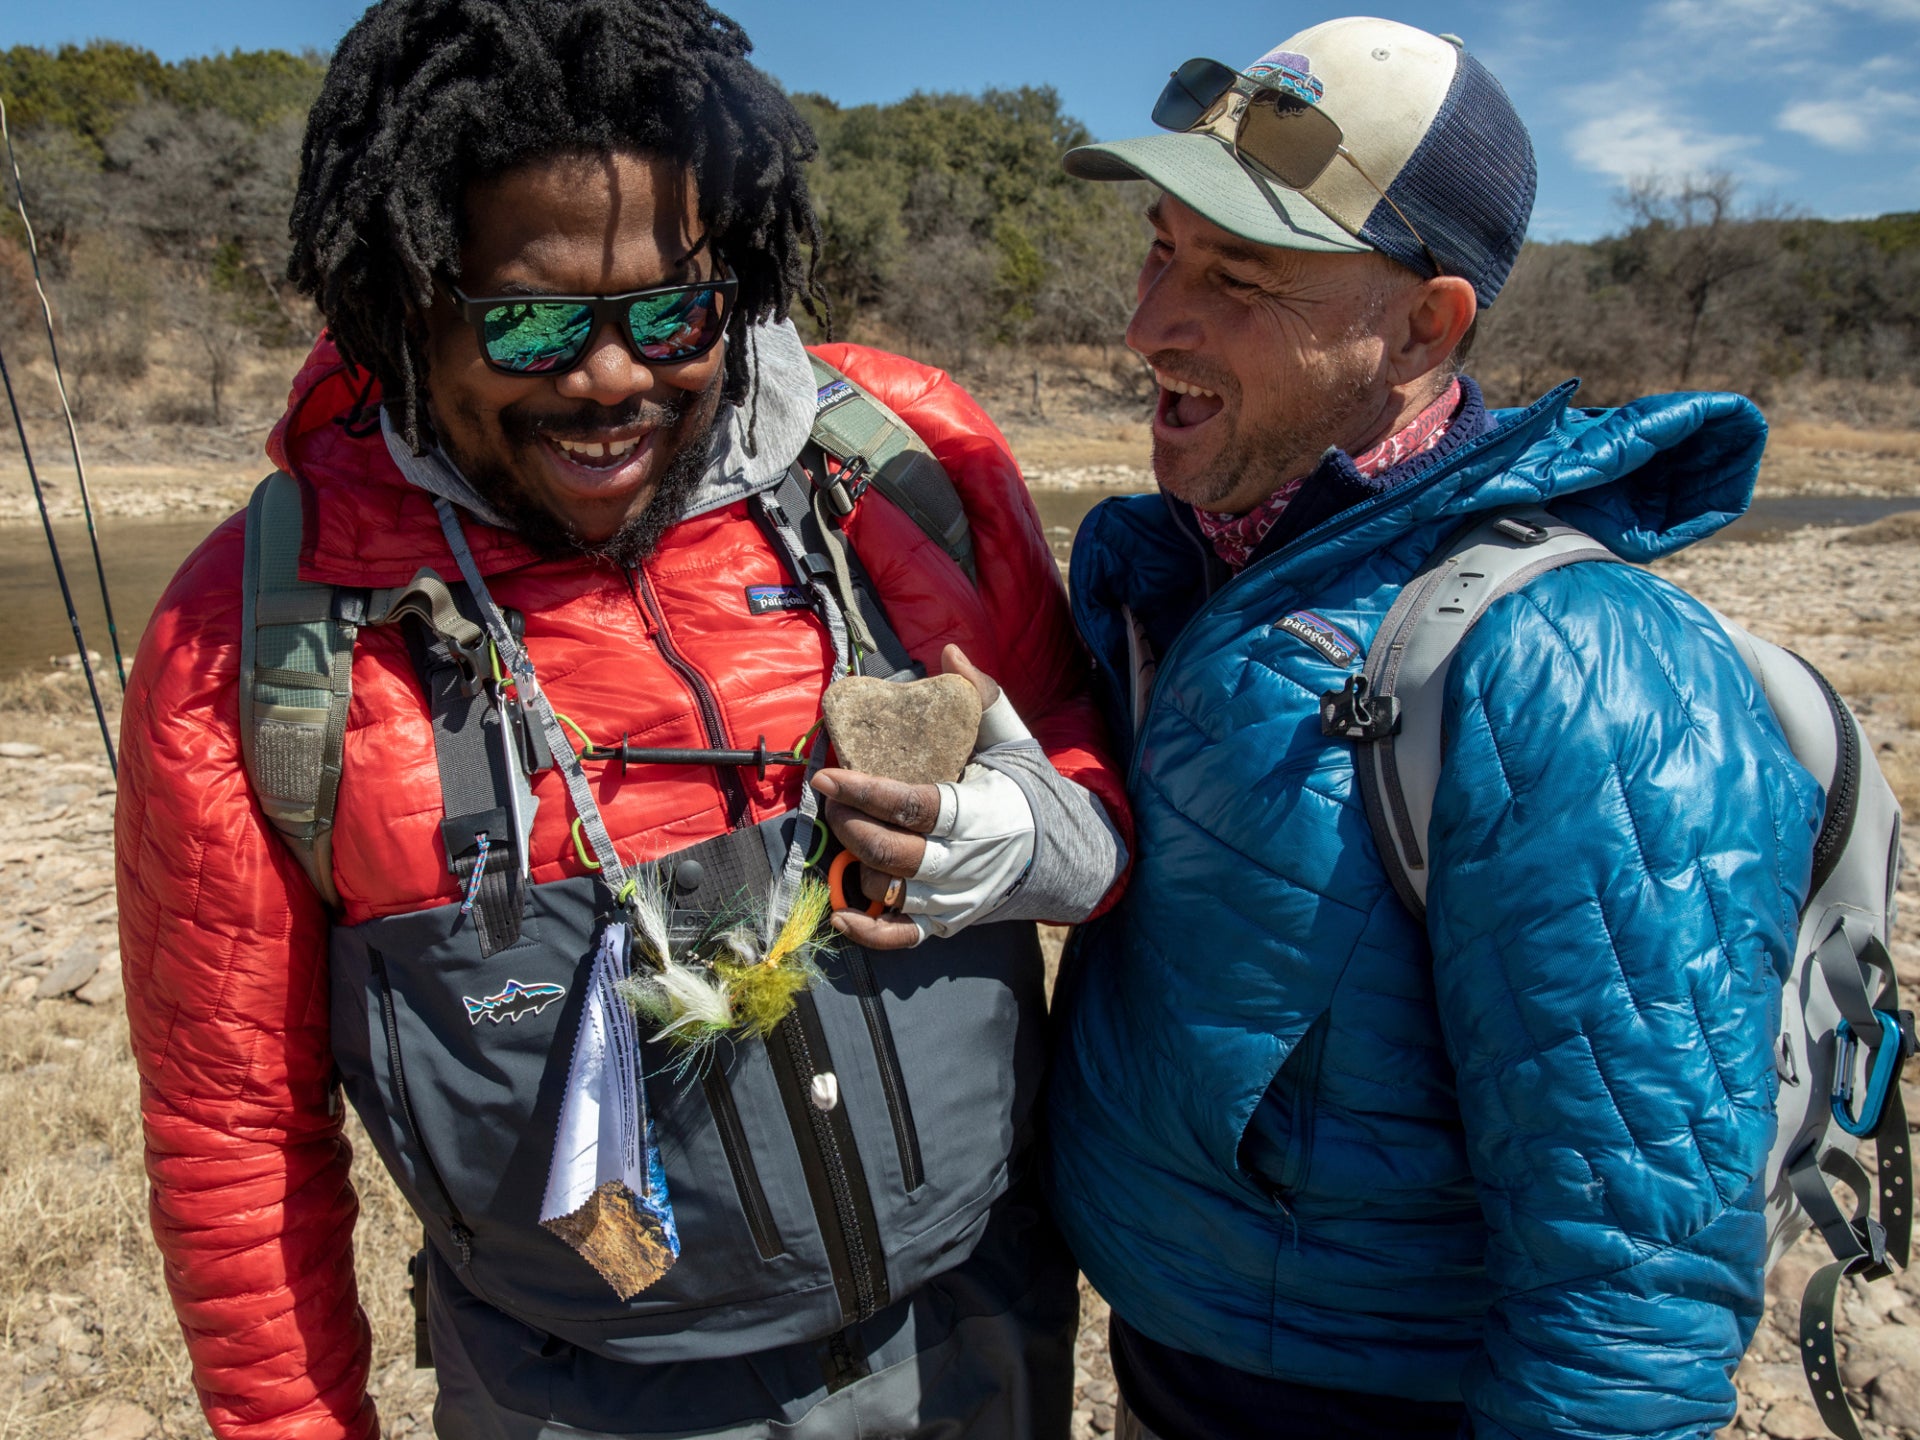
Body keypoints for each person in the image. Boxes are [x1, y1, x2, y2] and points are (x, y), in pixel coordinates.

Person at [115, 3, 1128, 1437]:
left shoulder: (902, 471)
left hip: (980, 1337)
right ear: (406, 302)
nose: (609, 382)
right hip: (580, 1398)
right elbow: (231, 1133)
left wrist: (1048, 838)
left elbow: (1089, 760)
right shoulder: (254, 638)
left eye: (671, 312)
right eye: (529, 324)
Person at [1045, 17, 1823, 1440]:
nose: (1154, 320)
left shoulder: (1576, 667)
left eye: (1239, 277)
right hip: (1175, 1346)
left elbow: (1632, 1280)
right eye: (1162, 248)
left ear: (1428, 324)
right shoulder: (1192, 560)